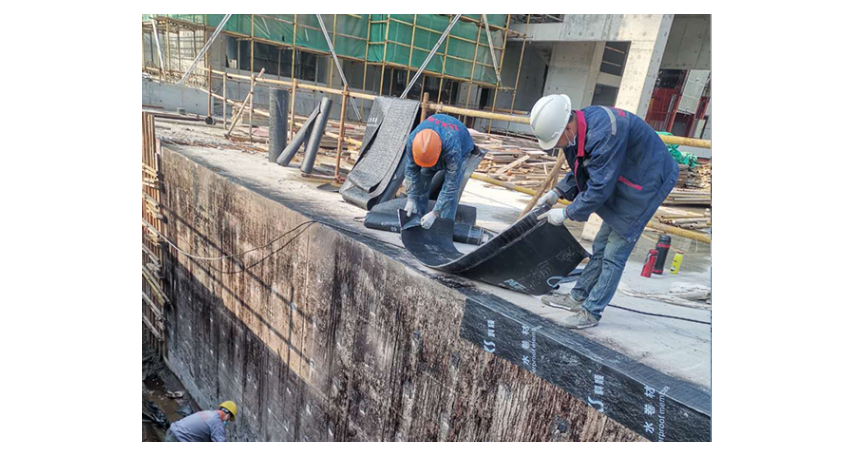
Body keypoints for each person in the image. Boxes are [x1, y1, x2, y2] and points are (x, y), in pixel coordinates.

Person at [529, 95, 679, 329]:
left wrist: (567, 214)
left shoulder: (605, 133)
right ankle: (578, 297)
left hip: (647, 183)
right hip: (625, 176)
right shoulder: (579, 129)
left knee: (614, 254)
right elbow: (583, 167)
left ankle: (591, 312)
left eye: (556, 140)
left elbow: (599, 187)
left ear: (566, 127)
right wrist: (559, 191)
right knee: (600, 247)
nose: (557, 146)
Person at [404, 114, 475, 229]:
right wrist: (411, 198)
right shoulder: (413, 140)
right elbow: (411, 170)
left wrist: (434, 213)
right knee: (422, 180)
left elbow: (450, 186)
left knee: (451, 195)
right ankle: (418, 219)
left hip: (462, 147)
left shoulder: (453, 149)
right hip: (438, 145)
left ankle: (444, 228)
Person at [165, 401, 237, 442]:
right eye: (228, 420)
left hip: (171, 433)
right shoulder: (217, 422)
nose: (226, 422)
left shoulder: (208, 413)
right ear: (227, 416)